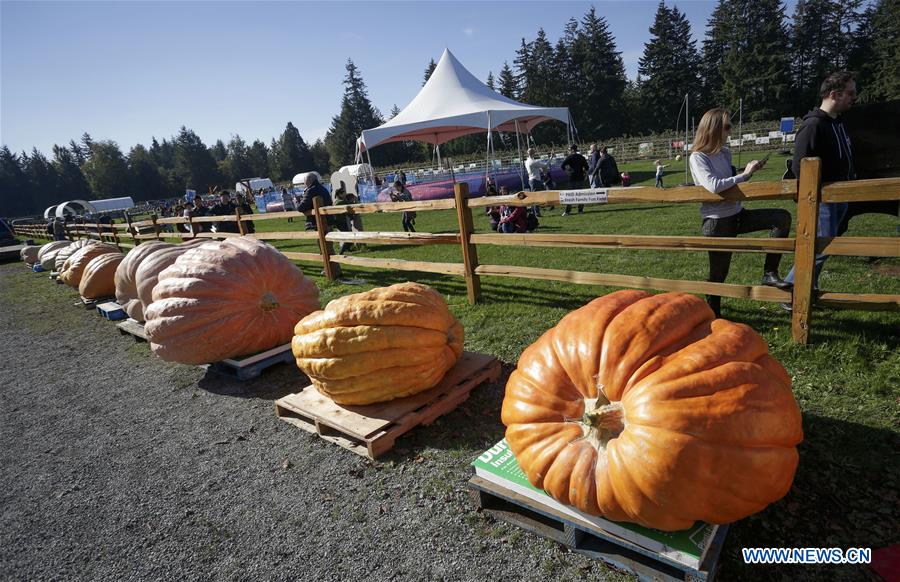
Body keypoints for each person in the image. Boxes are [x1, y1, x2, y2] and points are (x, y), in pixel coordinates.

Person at [690, 107, 792, 318]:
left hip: (737, 214)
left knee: (781, 218)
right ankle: (713, 315)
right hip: (717, 222)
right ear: (714, 128)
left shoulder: (725, 153)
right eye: (727, 127)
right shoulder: (698, 157)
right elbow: (714, 185)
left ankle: (769, 273)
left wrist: (750, 172)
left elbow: (730, 186)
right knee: (719, 274)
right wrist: (745, 174)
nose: (730, 131)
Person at [782, 71, 859, 305]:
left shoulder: (839, 123)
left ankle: (807, 292)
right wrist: (814, 195)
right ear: (834, 94)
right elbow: (800, 166)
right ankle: (791, 293)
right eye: (850, 93)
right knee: (819, 248)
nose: (854, 98)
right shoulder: (814, 125)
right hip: (821, 198)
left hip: (840, 195)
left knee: (824, 245)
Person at [560, 144, 588, 215]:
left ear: (572, 150)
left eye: (569, 150)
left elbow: (562, 166)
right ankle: (580, 210)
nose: (569, 151)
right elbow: (587, 167)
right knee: (581, 195)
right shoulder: (581, 157)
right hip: (580, 178)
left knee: (570, 195)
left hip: (572, 178)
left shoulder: (569, 157)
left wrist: (567, 171)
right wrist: (584, 173)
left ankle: (567, 211)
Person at [524, 148, 547, 217]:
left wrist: (540, 168)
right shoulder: (533, 162)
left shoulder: (527, 161)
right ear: (533, 153)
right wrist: (551, 157)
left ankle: (534, 212)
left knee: (534, 197)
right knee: (536, 197)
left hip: (531, 180)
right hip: (535, 180)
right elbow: (545, 165)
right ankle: (536, 213)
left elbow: (536, 167)